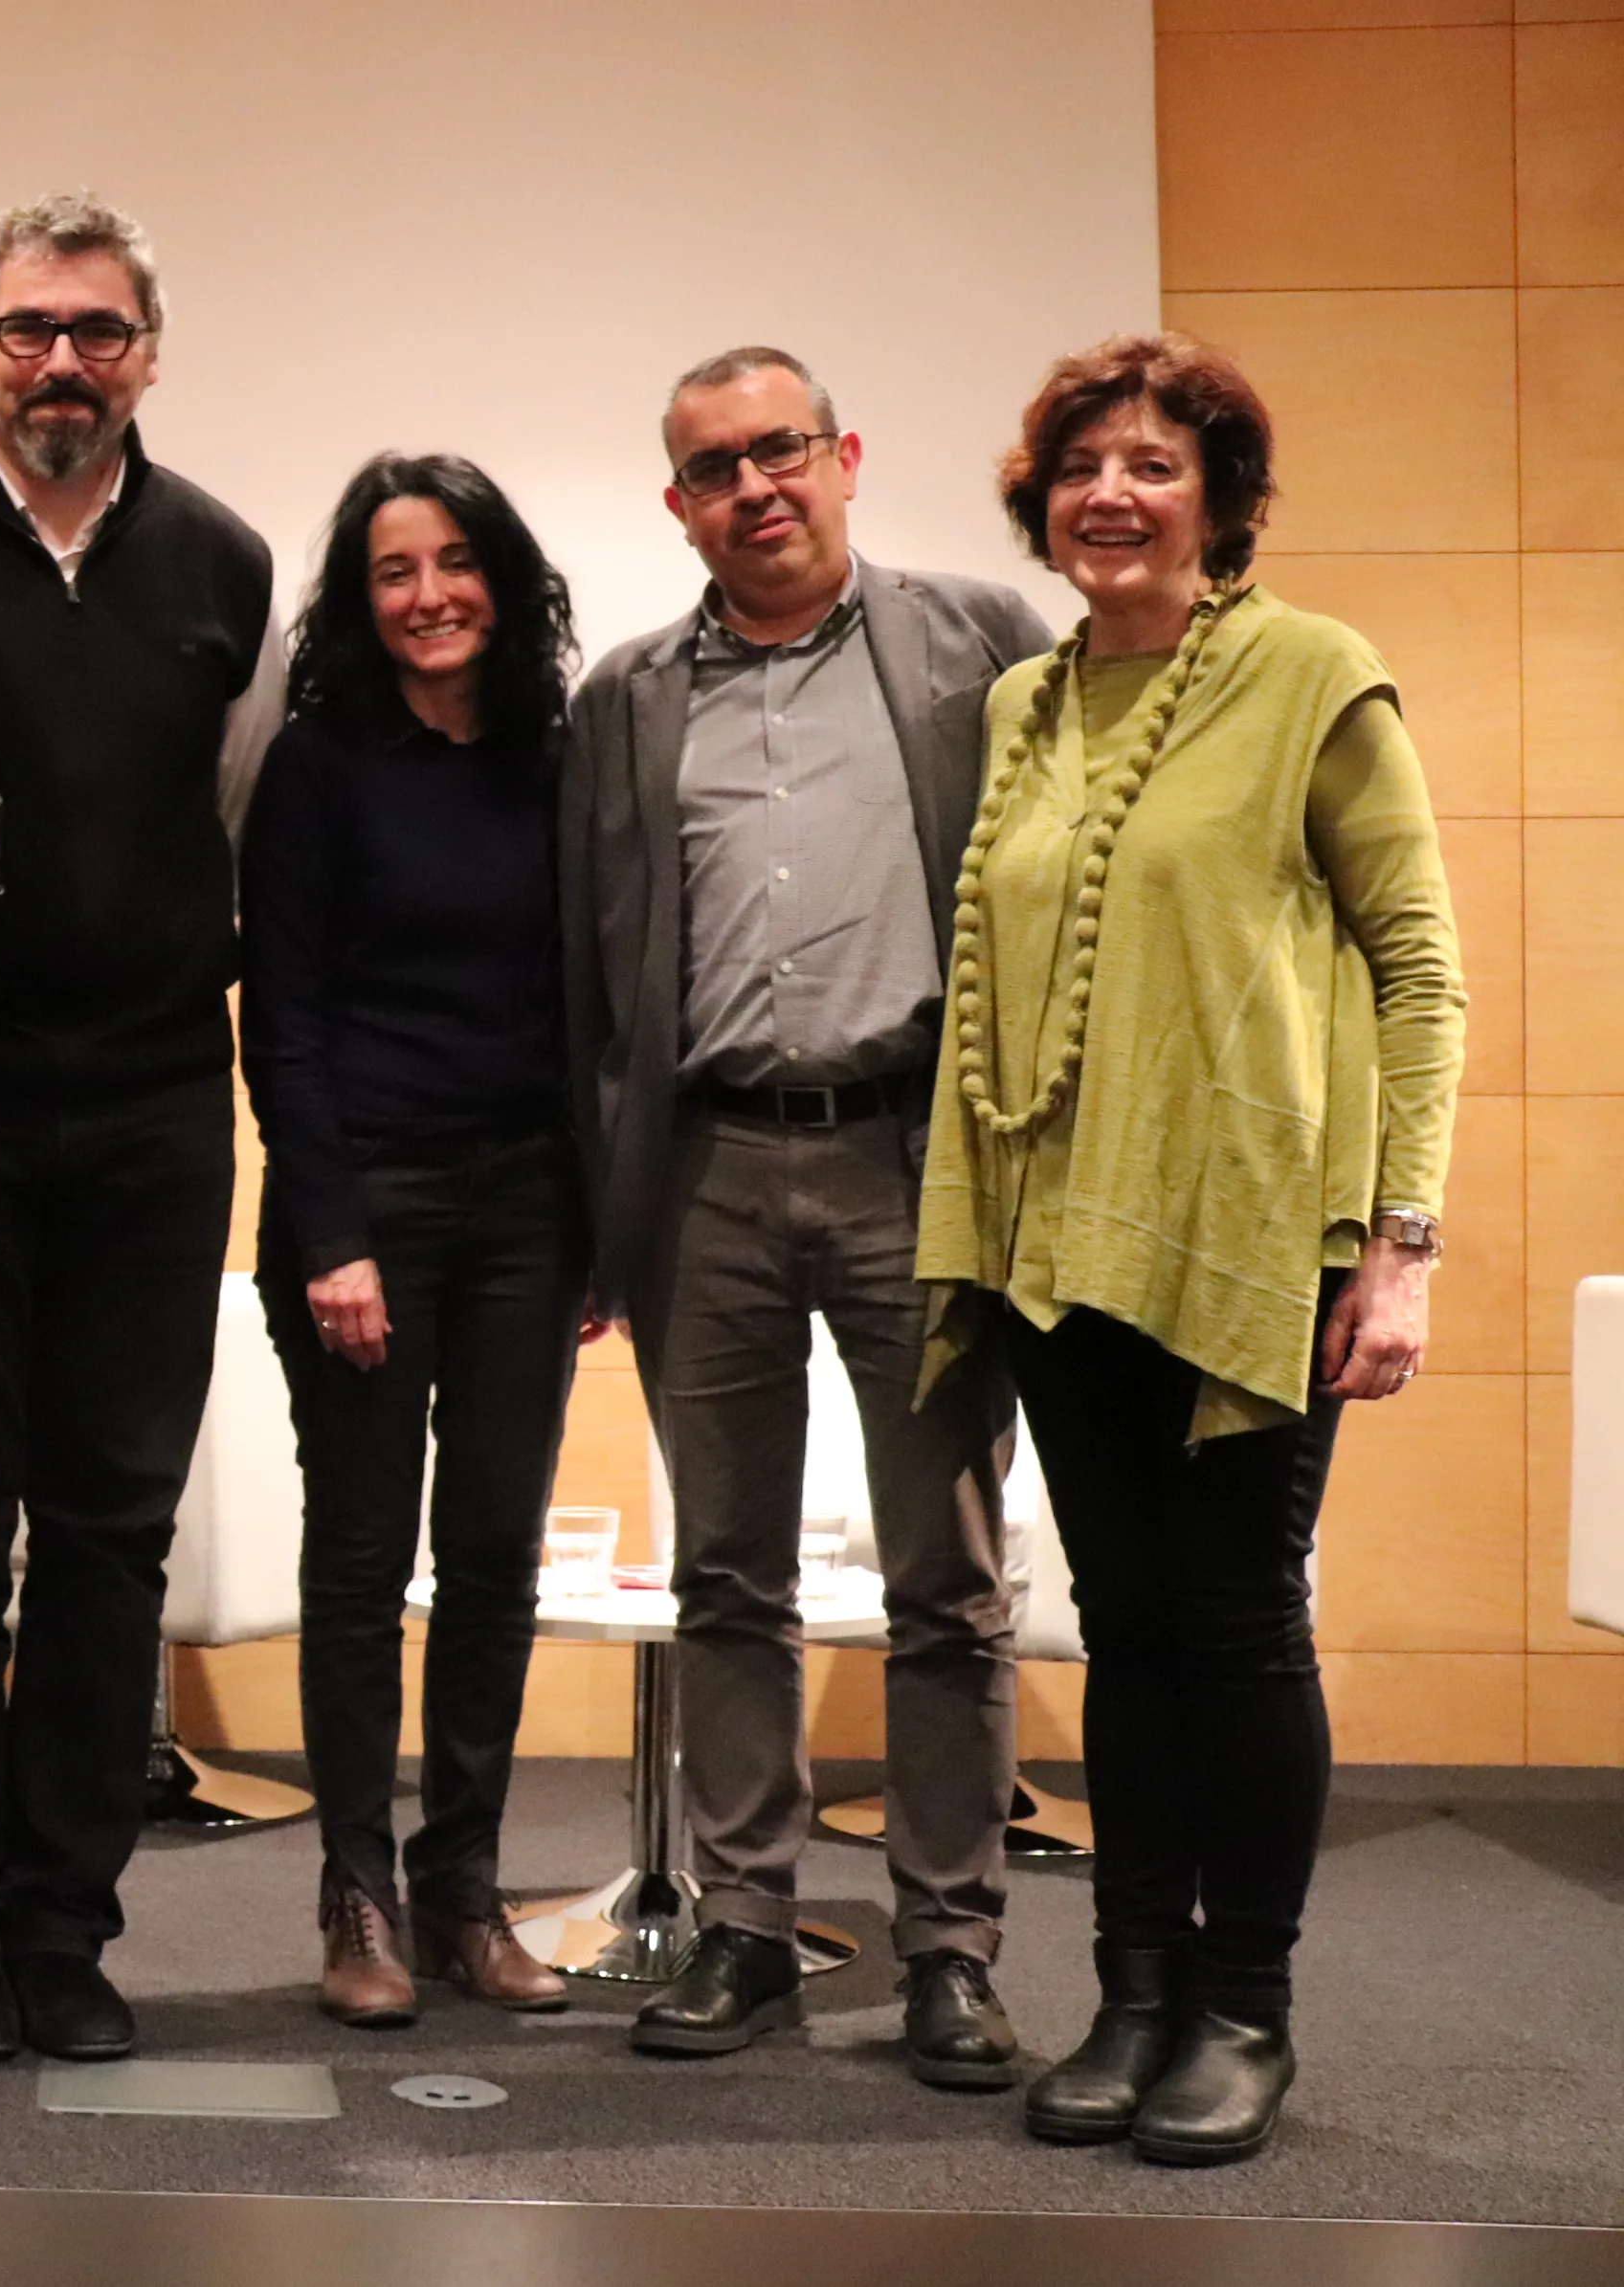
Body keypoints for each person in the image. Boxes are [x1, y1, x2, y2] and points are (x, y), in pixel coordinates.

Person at [921, 334, 1458, 2165]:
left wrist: (1398, 1247)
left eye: (1152, 463)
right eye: (1080, 462)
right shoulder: (1021, 706)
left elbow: (1415, 969)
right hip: (1061, 1244)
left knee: (1232, 1624)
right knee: (1122, 1627)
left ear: (1219, 501)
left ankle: (1243, 2011)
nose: (1110, 493)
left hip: (1255, 1237)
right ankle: (1131, 1990)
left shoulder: (1312, 674)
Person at [558, 347, 1051, 2081]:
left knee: (943, 1580)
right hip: (701, 1171)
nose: (754, 485)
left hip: (915, 1160)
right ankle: (745, 1928)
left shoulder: (976, 641)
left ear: (843, 456)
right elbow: (585, 975)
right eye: (713, 466)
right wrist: (590, 1214)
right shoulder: (621, 697)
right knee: (722, 1578)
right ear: (676, 504)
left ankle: (946, 1948)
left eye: (781, 450)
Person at [0, 190, 281, 2066]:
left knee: (108, 1536)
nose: (61, 365)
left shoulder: (224, 563)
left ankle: (63, 1924)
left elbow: (246, 823)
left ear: (148, 356)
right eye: (28, 330)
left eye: (97, 333)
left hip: (161, 1108)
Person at [238, 455, 585, 2030]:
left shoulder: (557, 757)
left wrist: (598, 1226)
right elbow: (283, 1024)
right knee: (358, 1562)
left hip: (526, 1207)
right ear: (356, 597)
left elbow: (590, 1004)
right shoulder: (316, 767)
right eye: (392, 569)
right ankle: (356, 1896)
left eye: (454, 562)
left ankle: (462, 1890)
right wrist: (330, 1236)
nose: (427, 593)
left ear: (499, 580)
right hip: (359, 1210)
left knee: (498, 1562)